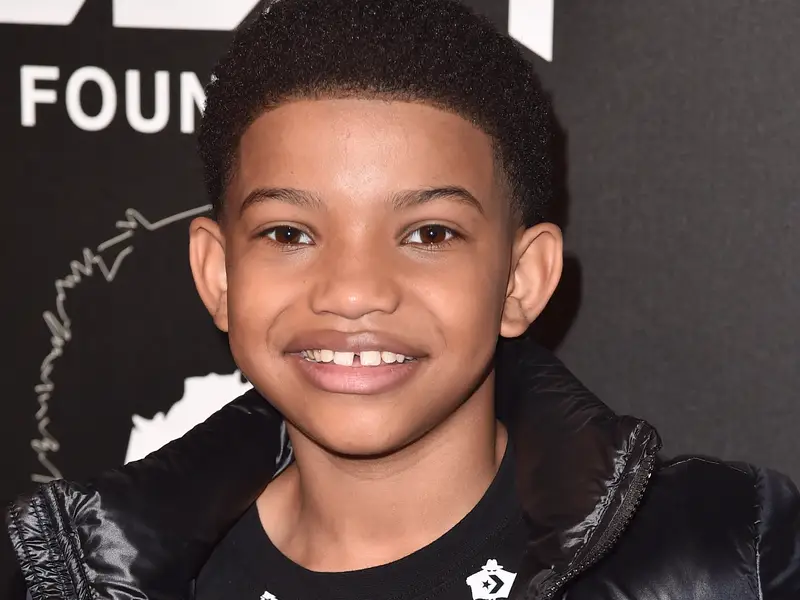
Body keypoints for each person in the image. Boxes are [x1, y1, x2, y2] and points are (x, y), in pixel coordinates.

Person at [6, 0, 800, 599]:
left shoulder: (730, 555)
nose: (354, 291)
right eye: (289, 233)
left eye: (428, 234)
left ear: (521, 280)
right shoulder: (92, 576)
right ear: (219, 275)